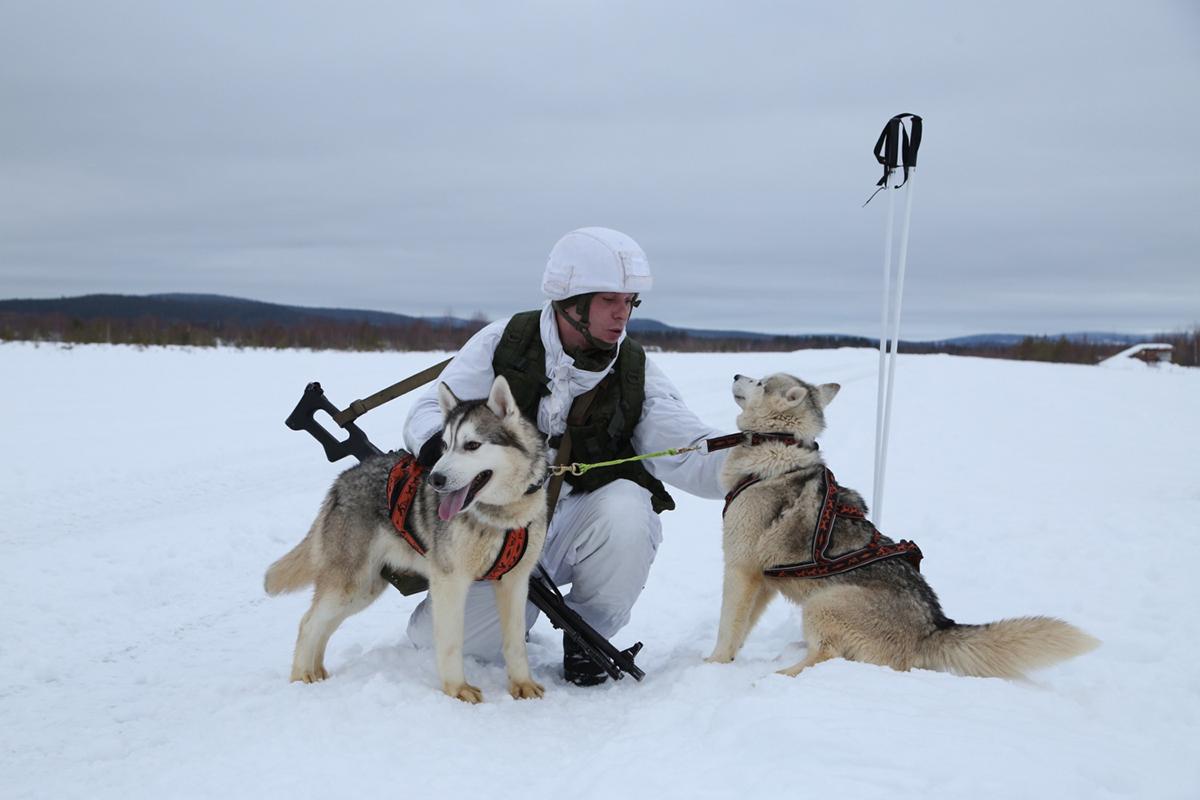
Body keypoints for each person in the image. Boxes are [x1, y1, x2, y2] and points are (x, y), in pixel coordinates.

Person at [402, 227, 728, 685]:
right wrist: (457, 458)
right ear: (571, 302)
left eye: (630, 301)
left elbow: (687, 447)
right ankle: (505, 604)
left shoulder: (633, 370)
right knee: (440, 641)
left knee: (630, 512)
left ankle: (586, 641)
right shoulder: (505, 343)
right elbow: (426, 416)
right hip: (498, 528)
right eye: (609, 301)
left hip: (578, 516)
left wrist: (756, 459)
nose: (623, 314)